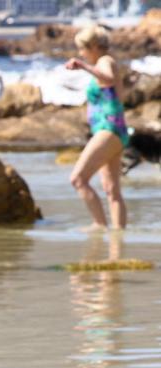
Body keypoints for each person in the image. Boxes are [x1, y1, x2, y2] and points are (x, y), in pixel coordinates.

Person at [66, 24, 130, 230]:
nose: (81, 53)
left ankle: (99, 225)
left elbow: (108, 79)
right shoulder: (104, 63)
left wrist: (83, 66)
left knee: (78, 179)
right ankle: (118, 236)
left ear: (93, 46)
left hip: (108, 129)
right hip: (114, 130)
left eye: (82, 48)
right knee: (112, 189)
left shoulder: (105, 61)